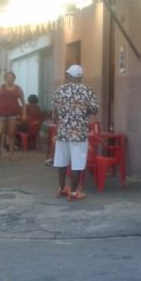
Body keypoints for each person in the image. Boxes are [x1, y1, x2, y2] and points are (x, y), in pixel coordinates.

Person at [52, 64, 99, 201]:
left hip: (63, 132)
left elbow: (54, 115)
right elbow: (95, 110)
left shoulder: (60, 90)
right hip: (79, 133)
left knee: (61, 160)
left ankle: (61, 189)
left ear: (68, 76)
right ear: (81, 77)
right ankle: (73, 192)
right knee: (77, 162)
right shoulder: (88, 91)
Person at [0, 71, 25, 162]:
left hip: (13, 115)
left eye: (11, 77)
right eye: (8, 77)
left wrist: (24, 114)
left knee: (11, 133)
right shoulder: (1, 88)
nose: (9, 79)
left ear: (14, 78)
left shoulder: (18, 89)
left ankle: (12, 155)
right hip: (0, 114)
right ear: (5, 78)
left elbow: (23, 102)